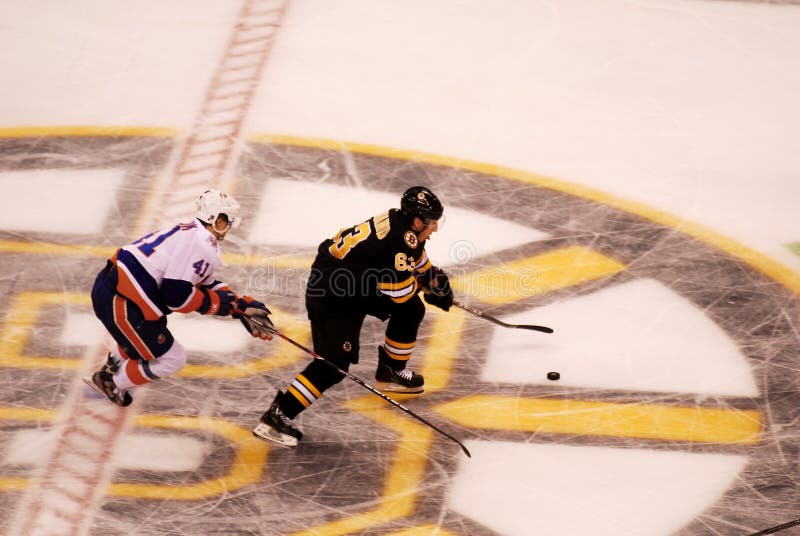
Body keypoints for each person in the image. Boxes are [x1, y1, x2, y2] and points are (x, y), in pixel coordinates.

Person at [252, 185, 453, 446]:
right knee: (334, 364)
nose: (435, 228)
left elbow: (414, 258)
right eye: (432, 222)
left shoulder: (404, 227)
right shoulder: (398, 239)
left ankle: (391, 371)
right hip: (331, 294)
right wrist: (426, 288)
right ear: (417, 221)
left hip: (355, 287)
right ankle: (277, 416)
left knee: (412, 308)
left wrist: (430, 278)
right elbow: (400, 291)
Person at [84, 189, 275, 406]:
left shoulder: (191, 231)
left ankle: (112, 369)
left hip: (117, 292)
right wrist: (219, 306)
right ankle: (113, 381)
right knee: (172, 358)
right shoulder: (202, 244)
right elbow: (175, 297)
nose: (227, 227)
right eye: (224, 221)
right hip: (122, 302)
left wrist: (239, 305)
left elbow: (201, 283)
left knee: (146, 337)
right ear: (214, 218)